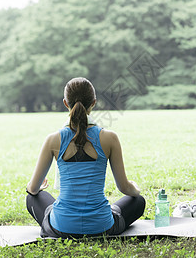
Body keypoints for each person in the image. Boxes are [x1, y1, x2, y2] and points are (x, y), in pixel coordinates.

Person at [26, 77, 145, 238]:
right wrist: (135, 188)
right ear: (94, 102)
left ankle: (65, 218)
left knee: (33, 198)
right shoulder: (109, 138)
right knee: (138, 201)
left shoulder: (53, 140)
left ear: (65, 103)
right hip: (102, 226)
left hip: (62, 227)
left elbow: (33, 189)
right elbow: (124, 187)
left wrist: (35, 188)